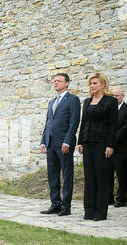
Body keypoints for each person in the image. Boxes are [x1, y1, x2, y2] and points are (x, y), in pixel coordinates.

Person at [76, 72, 118, 221]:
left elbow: (114, 126)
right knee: (90, 178)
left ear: (103, 85)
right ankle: (89, 211)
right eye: (91, 83)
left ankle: (100, 212)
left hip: (102, 144)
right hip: (88, 143)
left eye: (95, 83)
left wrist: (110, 145)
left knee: (102, 178)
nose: (92, 86)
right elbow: (84, 123)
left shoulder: (110, 101)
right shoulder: (87, 101)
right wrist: (80, 142)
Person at [39, 73, 80, 216]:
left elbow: (74, 122)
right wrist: (43, 141)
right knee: (53, 175)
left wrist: (67, 141)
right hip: (50, 143)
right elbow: (48, 123)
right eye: (54, 81)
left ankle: (66, 207)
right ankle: (55, 204)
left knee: (67, 175)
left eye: (59, 81)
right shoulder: (51, 102)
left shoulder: (73, 100)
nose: (55, 83)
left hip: (64, 144)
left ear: (67, 83)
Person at [111, 86, 127, 208]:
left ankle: (121, 198)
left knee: (121, 174)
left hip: (121, 148)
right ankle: (109, 197)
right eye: (113, 96)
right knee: (108, 174)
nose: (115, 98)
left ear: (122, 96)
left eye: (117, 96)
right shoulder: (109, 109)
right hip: (109, 147)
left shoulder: (126, 109)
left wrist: (113, 140)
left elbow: (126, 126)